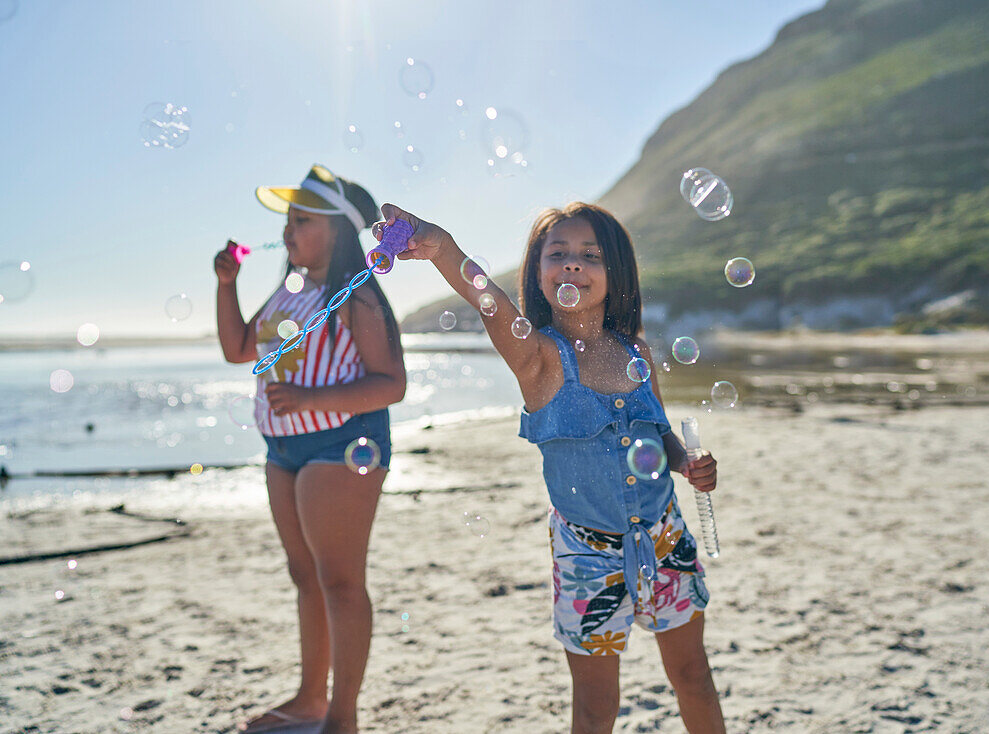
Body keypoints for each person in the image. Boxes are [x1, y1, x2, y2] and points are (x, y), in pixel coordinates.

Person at [376, 201, 725, 733]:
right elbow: (482, 298)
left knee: (693, 676)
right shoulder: (536, 357)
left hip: (665, 539)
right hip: (587, 556)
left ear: (617, 270)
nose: (572, 264)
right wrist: (442, 247)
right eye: (556, 253)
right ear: (536, 273)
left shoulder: (635, 350)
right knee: (594, 706)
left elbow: (660, 433)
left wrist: (687, 463)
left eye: (590, 254)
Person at [214, 164, 406, 734]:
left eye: (302, 220)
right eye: (288, 221)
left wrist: (310, 395)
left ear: (339, 231)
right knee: (304, 575)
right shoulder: (286, 291)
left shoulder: (357, 296)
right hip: (282, 449)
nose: (287, 232)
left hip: (343, 445)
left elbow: (391, 383)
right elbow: (237, 349)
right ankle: (309, 699)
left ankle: (342, 716)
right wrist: (227, 285)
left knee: (340, 579)